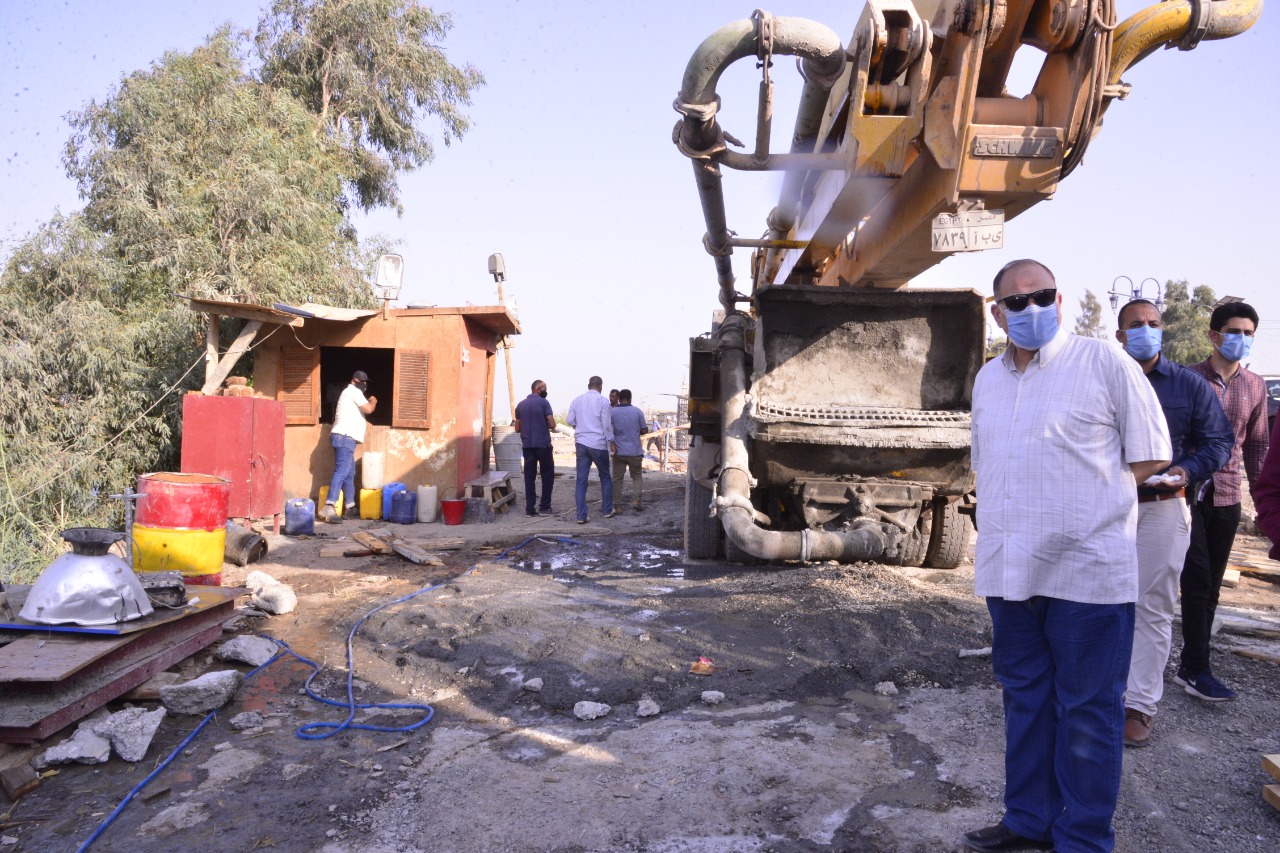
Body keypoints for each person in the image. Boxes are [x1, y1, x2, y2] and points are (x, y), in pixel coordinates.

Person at [964, 260, 1170, 853]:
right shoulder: (988, 381)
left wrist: (1085, 506)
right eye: (1016, 303)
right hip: (1009, 571)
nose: (1031, 310)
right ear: (997, 313)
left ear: (1060, 300)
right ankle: (1028, 821)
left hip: (1088, 572)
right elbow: (988, 464)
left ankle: (1082, 838)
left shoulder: (1104, 363)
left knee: (1087, 711)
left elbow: (1150, 455)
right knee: (1025, 701)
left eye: (1043, 297)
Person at [1115, 299, 1232, 747]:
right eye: (1135, 325)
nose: (1146, 330)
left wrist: (1188, 469)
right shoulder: (1102, 379)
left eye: (1153, 324)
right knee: (1093, 600)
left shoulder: (1189, 385)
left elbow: (1219, 440)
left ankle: (1139, 706)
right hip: (1103, 506)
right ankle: (1095, 694)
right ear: (1120, 335)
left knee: (1152, 606)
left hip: (1162, 505)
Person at [1179, 301, 1268, 701]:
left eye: (1249, 333)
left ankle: (1193, 662)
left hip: (1228, 496)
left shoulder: (1255, 386)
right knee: (1195, 581)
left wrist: (1265, 503)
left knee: (1212, 585)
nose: (1242, 339)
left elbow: (1259, 445)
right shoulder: (1188, 378)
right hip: (1187, 493)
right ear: (1213, 335)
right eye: (1235, 332)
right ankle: (1196, 668)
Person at [319, 370, 377, 524]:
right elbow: (369, 409)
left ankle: (350, 508)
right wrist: (373, 400)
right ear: (354, 381)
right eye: (362, 381)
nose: (364, 384)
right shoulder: (353, 391)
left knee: (349, 472)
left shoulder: (350, 394)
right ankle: (329, 505)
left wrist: (364, 423)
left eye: (365, 382)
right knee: (342, 470)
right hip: (344, 438)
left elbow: (355, 416)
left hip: (345, 438)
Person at [567, 376, 615, 523]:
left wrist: (580, 426)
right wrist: (611, 440)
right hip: (598, 443)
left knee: (581, 480)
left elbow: (569, 420)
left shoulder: (577, 400)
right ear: (600, 386)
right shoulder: (603, 401)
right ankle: (607, 510)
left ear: (588, 385)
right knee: (605, 477)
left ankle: (581, 515)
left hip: (581, 443)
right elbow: (606, 424)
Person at [513, 379, 556, 517]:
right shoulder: (544, 403)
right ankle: (544, 507)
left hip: (528, 446)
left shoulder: (520, 406)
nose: (546, 391)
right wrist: (544, 424)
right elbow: (553, 424)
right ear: (538, 389)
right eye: (544, 388)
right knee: (547, 475)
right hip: (543, 445)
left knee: (529, 477)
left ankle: (530, 509)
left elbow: (517, 428)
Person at [609, 389, 649, 511]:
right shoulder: (637, 412)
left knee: (617, 478)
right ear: (630, 398)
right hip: (634, 451)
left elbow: (607, 430)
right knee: (636, 476)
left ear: (619, 398)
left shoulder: (612, 412)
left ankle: (617, 505)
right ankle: (636, 500)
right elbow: (644, 430)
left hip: (618, 452)